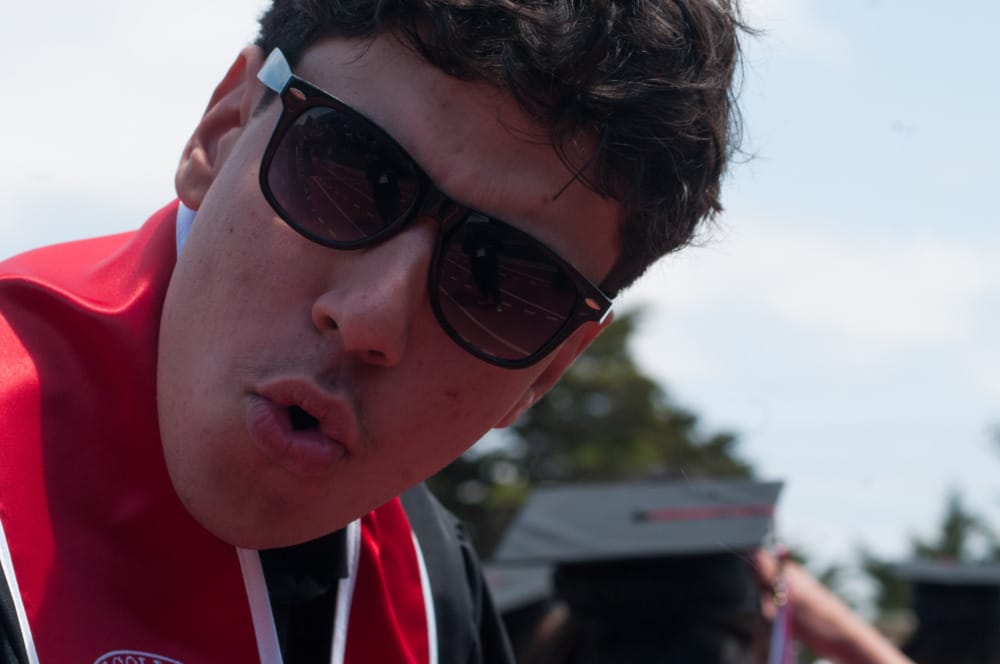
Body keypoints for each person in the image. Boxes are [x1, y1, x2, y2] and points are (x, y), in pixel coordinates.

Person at [0, 0, 749, 661]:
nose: (370, 321)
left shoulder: (430, 598)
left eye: (500, 283)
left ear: (548, 372)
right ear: (222, 129)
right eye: (346, 172)